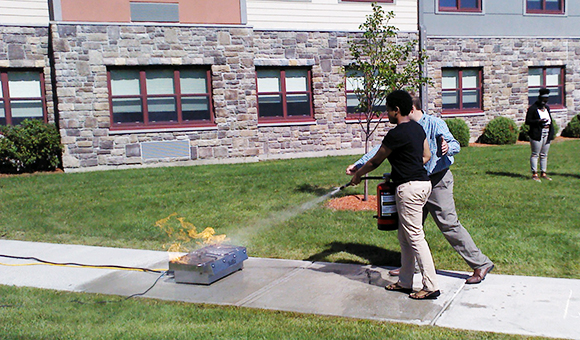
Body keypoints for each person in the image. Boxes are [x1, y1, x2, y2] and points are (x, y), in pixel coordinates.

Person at [346, 97, 495, 285]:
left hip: (437, 179)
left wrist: (448, 147)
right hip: (416, 181)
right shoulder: (405, 128)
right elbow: (381, 149)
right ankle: (410, 267)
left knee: (448, 223)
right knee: (408, 228)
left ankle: (480, 263)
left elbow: (454, 144)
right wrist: (359, 164)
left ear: (410, 109)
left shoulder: (434, 123)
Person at [350, 90, 439, 300]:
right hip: (423, 184)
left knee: (415, 237)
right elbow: (426, 155)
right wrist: (406, 169)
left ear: (396, 110)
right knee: (405, 236)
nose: (386, 114)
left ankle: (431, 285)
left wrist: (358, 175)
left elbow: (375, 161)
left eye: (388, 110)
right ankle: (405, 282)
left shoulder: (396, 133)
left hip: (409, 189)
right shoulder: (418, 129)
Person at [526, 88, 555, 182]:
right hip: (537, 133)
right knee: (535, 153)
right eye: (543, 100)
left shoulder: (547, 108)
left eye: (546, 100)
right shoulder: (533, 109)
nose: (544, 102)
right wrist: (538, 121)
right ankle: (534, 173)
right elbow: (528, 121)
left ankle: (543, 172)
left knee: (544, 154)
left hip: (547, 132)